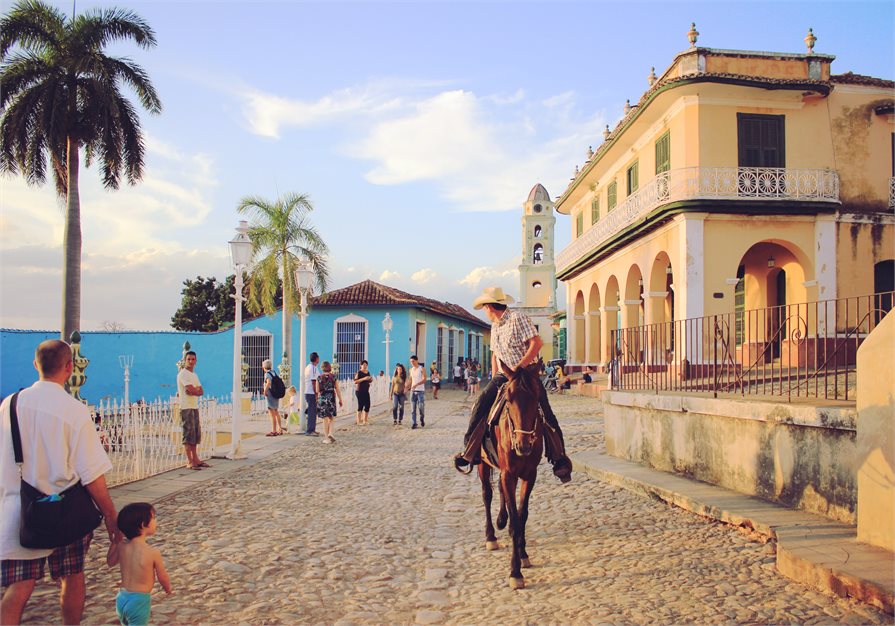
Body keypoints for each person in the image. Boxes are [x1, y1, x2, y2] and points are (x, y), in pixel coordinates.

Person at [0, 340, 120, 625]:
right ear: (69, 367)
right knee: (72, 577)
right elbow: (91, 473)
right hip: (65, 510)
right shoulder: (74, 410)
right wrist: (110, 515)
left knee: (19, 588)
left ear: (35, 364)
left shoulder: (9, 405)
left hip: (19, 511)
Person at [453, 287, 572, 483]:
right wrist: (494, 376)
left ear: (491, 306)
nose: (484, 311)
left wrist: (520, 367)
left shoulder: (518, 318)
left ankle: (559, 459)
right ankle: (470, 451)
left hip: (525, 375)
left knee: (547, 413)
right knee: (480, 404)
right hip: (502, 376)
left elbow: (536, 343)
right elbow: (495, 354)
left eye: (484, 308)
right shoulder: (495, 326)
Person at [108, 502, 171, 626]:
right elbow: (162, 576)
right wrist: (168, 588)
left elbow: (110, 562)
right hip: (139, 600)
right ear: (143, 525)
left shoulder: (122, 547)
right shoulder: (152, 552)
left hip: (122, 598)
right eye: (153, 518)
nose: (155, 520)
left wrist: (116, 539)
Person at [177, 351, 207, 469]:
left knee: (195, 435)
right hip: (186, 407)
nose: (190, 361)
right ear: (185, 360)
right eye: (188, 359)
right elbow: (191, 389)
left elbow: (200, 391)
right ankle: (190, 461)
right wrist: (195, 391)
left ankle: (196, 459)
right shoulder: (183, 374)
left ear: (196, 361)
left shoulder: (194, 375)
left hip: (194, 406)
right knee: (188, 435)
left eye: (193, 359)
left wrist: (195, 391)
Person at [316, 362, 342, 443]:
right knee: (332, 417)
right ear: (330, 367)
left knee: (325, 419)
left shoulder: (319, 378)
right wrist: (340, 399)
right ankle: (331, 433)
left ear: (322, 368)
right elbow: (337, 389)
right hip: (331, 398)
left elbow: (317, 390)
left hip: (322, 398)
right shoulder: (334, 377)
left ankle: (326, 438)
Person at [261, 360, 284, 437]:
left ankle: (273, 430)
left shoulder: (267, 374)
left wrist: (265, 391)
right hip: (275, 394)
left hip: (270, 394)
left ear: (264, 367)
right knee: (276, 412)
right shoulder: (274, 372)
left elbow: (269, 383)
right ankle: (280, 429)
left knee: (272, 413)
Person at [303, 352, 321, 436]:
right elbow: (314, 381)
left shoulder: (309, 367)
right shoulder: (313, 368)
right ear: (316, 358)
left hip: (309, 391)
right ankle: (310, 430)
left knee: (313, 411)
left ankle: (312, 428)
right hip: (311, 392)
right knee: (312, 412)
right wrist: (316, 393)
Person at [408, 355, 427, 429]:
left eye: (413, 361)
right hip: (413, 391)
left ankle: (422, 418)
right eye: (411, 362)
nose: (412, 363)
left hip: (420, 391)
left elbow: (425, 379)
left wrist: (417, 384)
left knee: (421, 407)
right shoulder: (411, 370)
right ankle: (414, 423)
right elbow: (410, 379)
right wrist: (407, 386)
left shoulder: (421, 368)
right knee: (413, 409)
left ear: (417, 360)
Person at [354, 360, 373, 425]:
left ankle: (365, 420)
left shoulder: (368, 372)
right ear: (361, 365)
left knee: (368, 405)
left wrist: (370, 379)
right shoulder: (359, 372)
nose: (365, 366)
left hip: (366, 391)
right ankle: (358, 421)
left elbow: (369, 381)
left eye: (366, 365)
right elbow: (355, 381)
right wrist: (364, 379)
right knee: (360, 405)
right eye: (363, 365)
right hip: (359, 391)